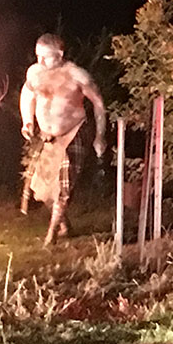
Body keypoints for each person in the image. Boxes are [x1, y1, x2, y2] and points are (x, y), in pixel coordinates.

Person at [19, 33, 105, 246]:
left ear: (59, 54)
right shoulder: (35, 72)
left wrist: (99, 136)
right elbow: (27, 95)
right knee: (43, 189)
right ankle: (64, 225)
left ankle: (51, 236)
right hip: (47, 136)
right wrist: (27, 121)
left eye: (45, 57)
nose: (40, 61)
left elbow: (99, 104)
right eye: (38, 55)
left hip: (73, 132)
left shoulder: (77, 76)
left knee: (63, 188)